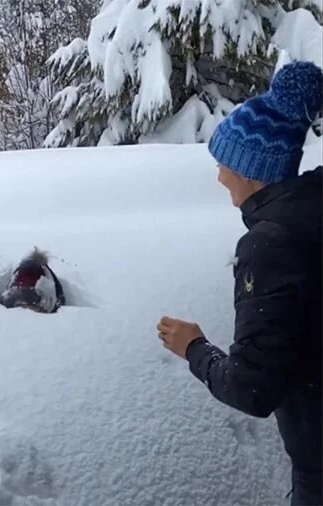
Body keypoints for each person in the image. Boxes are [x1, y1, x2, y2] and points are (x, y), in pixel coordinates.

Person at [158, 61, 322, 505]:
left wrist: (195, 348)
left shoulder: (270, 246)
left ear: (251, 168)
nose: (218, 175)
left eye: (224, 162)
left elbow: (252, 388)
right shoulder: (311, 213)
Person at [0, 248, 65, 313]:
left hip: (16, 296)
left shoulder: (20, 269)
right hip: (37, 299)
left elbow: (8, 288)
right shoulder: (46, 270)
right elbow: (59, 294)